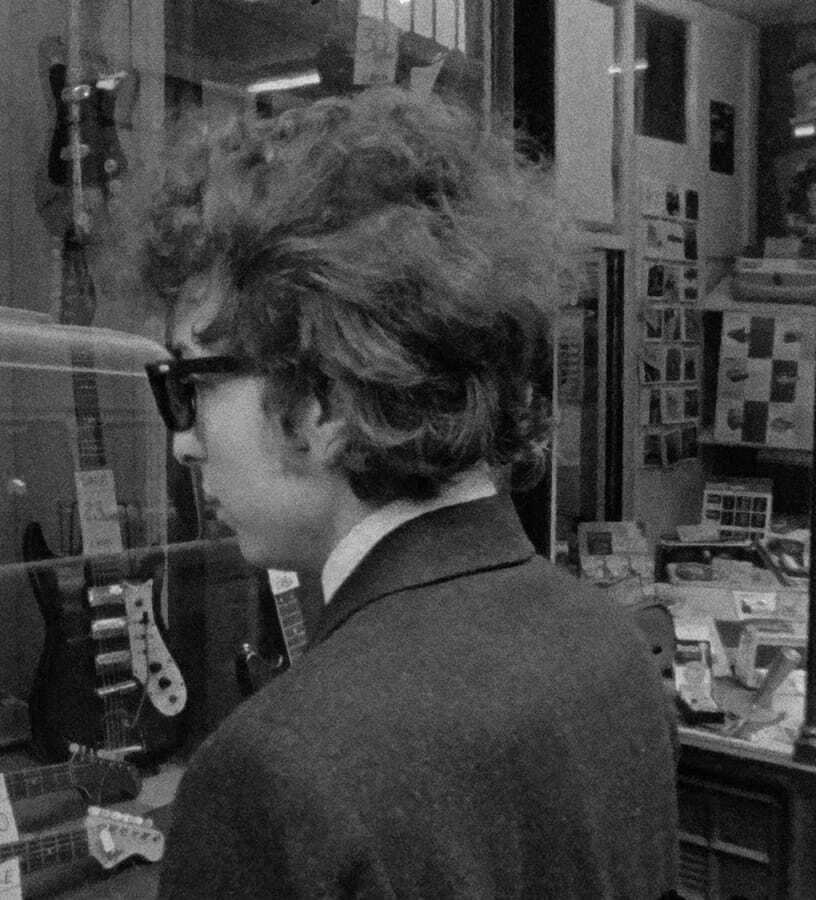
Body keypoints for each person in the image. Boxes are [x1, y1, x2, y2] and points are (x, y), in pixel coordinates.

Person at [131, 87, 678, 898]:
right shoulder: (611, 646)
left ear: (320, 402)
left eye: (192, 384)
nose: (182, 440)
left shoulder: (275, 773)